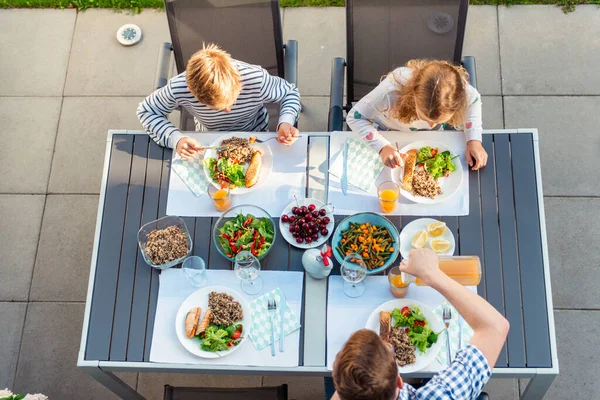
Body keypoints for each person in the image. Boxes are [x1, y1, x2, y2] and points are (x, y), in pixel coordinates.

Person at [330, 248, 510, 400]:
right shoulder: (440, 395)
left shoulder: (345, 392)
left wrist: (350, 378)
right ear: (399, 381)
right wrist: (431, 273)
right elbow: (495, 327)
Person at [137, 43, 301, 158]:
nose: (229, 110)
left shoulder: (255, 78)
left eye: (232, 100)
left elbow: (290, 93)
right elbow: (146, 111)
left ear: (238, 81)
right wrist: (176, 139)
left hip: (255, 133)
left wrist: (286, 122)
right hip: (209, 139)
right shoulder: (178, 88)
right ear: (190, 91)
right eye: (219, 108)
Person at [346, 59, 488, 170]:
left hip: (428, 140)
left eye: (439, 121)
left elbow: (474, 100)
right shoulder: (389, 93)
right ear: (413, 96)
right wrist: (382, 147)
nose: (432, 125)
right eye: (425, 118)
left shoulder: (460, 91)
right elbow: (355, 117)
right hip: (385, 132)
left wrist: (474, 140)